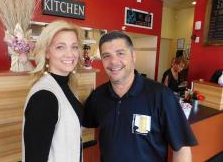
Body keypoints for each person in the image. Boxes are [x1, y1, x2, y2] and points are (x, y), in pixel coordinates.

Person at [83, 31, 197, 162]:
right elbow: (83, 122)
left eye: (120, 53)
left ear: (133, 56)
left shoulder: (161, 95)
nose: (113, 61)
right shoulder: (98, 96)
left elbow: (182, 148)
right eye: (106, 56)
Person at [22, 20, 83, 162]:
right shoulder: (45, 96)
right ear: (47, 52)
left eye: (74, 47)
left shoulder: (66, 86)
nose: (70, 54)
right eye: (60, 47)